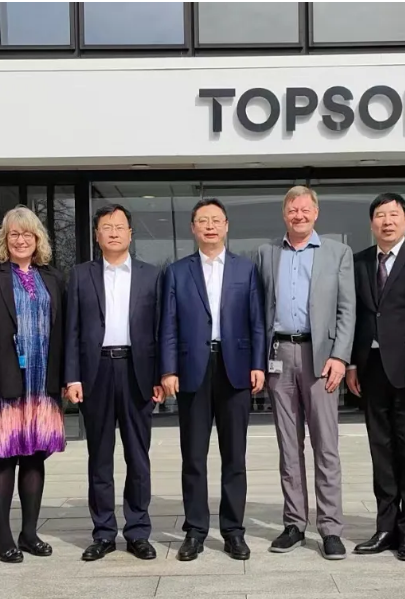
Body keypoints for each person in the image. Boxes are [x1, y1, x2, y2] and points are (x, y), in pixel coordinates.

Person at [160, 198, 266, 562]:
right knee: (193, 455)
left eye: (216, 220)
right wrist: (168, 369)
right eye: (202, 221)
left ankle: (233, 531)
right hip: (192, 369)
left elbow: (257, 321)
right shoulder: (177, 271)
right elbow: (168, 324)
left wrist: (258, 364)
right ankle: (195, 530)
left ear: (226, 226)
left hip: (235, 368)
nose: (210, 226)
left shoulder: (245, 269)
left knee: (234, 455)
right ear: (193, 228)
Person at [255, 186, 354, 560]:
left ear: (316, 212)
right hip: (279, 354)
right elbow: (259, 308)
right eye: (292, 210)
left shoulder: (336, 252)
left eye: (305, 209)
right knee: (288, 445)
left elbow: (347, 310)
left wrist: (340, 357)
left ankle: (330, 528)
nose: (299, 215)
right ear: (285, 215)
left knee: (326, 445)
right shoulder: (267, 253)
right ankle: (294, 523)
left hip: (321, 357)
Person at [65, 204, 164, 562]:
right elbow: (72, 329)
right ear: (97, 235)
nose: (113, 233)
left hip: (138, 373)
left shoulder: (152, 275)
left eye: (120, 227)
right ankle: (104, 532)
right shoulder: (81, 275)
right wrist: (72, 376)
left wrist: (160, 375)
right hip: (97, 373)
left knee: (138, 457)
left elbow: (160, 329)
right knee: (99, 457)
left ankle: (138, 531)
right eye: (106, 227)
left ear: (130, 234)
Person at [0, 206, 66, 563]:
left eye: (27, 234)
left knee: (35, 457)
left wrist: (66, 378)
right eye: (14, 234)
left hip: (42, 383)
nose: (21, 240)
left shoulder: (52, 278)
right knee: (4, 457)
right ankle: (3, 538)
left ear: (38, 240)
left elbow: (63, 331)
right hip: (3, 381)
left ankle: (29, 533)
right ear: (4, 239)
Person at [346, 193, 405, 562]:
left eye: (394, 215)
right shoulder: (359, 261)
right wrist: (352, 364)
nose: (387, 221)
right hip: (371, 370)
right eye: (380, 215)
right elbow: (355, 316)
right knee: (380, 451)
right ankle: (385, 527)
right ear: (372, 223)